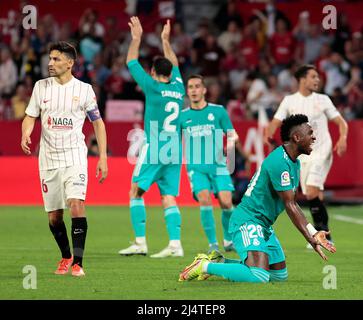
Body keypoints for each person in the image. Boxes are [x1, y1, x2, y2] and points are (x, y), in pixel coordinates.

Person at [179, 114, 336, 283]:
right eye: (310, 132)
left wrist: (313, 232)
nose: (313, 137)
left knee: (278, 276)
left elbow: (292, 202)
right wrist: (310, 238)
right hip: (248, 221)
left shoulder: (294, 163)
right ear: (297, 137)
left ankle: (220, 261)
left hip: (263, 225)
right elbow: (289, 204)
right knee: (259, 275)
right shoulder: (279, 162)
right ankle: (203, 266)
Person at [21, 41, 108, 277]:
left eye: (56, 59)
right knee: (54, 217)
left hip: (75, 156)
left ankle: (78, 262)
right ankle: (66, 256)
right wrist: (26, 132)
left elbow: (97, 123)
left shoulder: (85, 90)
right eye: (50, 58)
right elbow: (30, 116)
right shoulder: (41, 87)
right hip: (48, 159)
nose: (50, 63)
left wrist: (102, 156)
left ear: (70, 63)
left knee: (76, 204)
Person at [118, 17, 185, 258]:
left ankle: (140, 243)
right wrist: (166, 41)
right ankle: (175, 245)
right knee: (168, 196)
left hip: (155, 146)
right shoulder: (179, 88)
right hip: (175, 149)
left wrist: (136, 38)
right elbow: (175, 64)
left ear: (154, 72)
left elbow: (131, 61)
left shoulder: (152, 86)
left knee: (135, 191)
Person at [265, 64, 348, 245]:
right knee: (314, 195)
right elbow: (276, 122)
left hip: (322, 150)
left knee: (311, 191)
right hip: (303, 155)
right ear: (302, 79)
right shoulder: (289, 101)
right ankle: (324, 234)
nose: (317, 80)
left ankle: (323, 235)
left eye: (317, 77)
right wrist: (268, 134)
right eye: (313, 76)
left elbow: (341, 122)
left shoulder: (323, 99)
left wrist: (343, 138)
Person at [180, 74, 249, 253]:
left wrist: (237, 149)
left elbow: (232, 134)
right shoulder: (182, 116)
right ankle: (213, 244)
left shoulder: (218, 111)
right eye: (190, 87)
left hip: (218, 166)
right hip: (196, 168)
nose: (194, 90)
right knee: (204, 199)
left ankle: (227, 240)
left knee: (226, 203)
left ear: (204, 90)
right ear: (187, 92)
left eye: (197, 86)